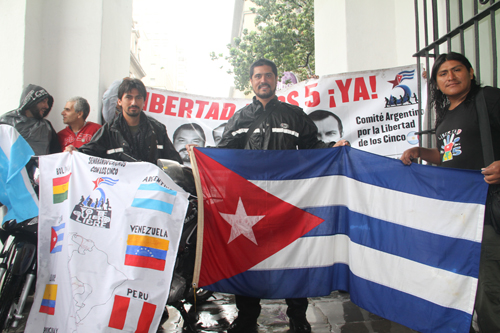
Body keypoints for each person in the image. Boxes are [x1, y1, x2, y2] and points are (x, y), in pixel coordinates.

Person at [214, 59, 349, 333]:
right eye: (257, 77)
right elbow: (223, 153)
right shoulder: (240, 118)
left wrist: (333, 147)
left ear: (276, 80)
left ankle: (298, 317)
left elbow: (313, 146)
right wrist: (201, 154)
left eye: (268, 76)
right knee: (248, 257)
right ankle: (248, 317)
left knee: (293, 255)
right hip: (249, 203)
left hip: (287, 201)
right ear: (250, 82)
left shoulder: (294, 114)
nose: (263, 80)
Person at [400, 52, 500, 332]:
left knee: (489, 288)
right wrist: (421, 152)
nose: (450, 77)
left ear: (470, 72)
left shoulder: (487, 99)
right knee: (468, 283)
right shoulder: (446, 115)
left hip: (489, 210)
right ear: (437, 82)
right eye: (443, 73)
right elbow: (448, 155)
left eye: (456, 70)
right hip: (460, 212)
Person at [65, 78, 181, 164]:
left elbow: (175, 163)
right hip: (120, 193)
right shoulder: (108, 131)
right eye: (129, 97)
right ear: (119, 101)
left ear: (144, 102)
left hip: (149, 193)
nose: (134, 103)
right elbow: (88, 153)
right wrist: (74, 152)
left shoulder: (158, 130)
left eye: (138, 98)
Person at [0, 84, 61, 155]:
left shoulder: (47, 126)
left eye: (47, 102)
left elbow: (56, 154)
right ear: (32, 101)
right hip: (14, 166)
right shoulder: (6, 121)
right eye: (43, 101)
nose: (47, 106)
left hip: (40, 165)